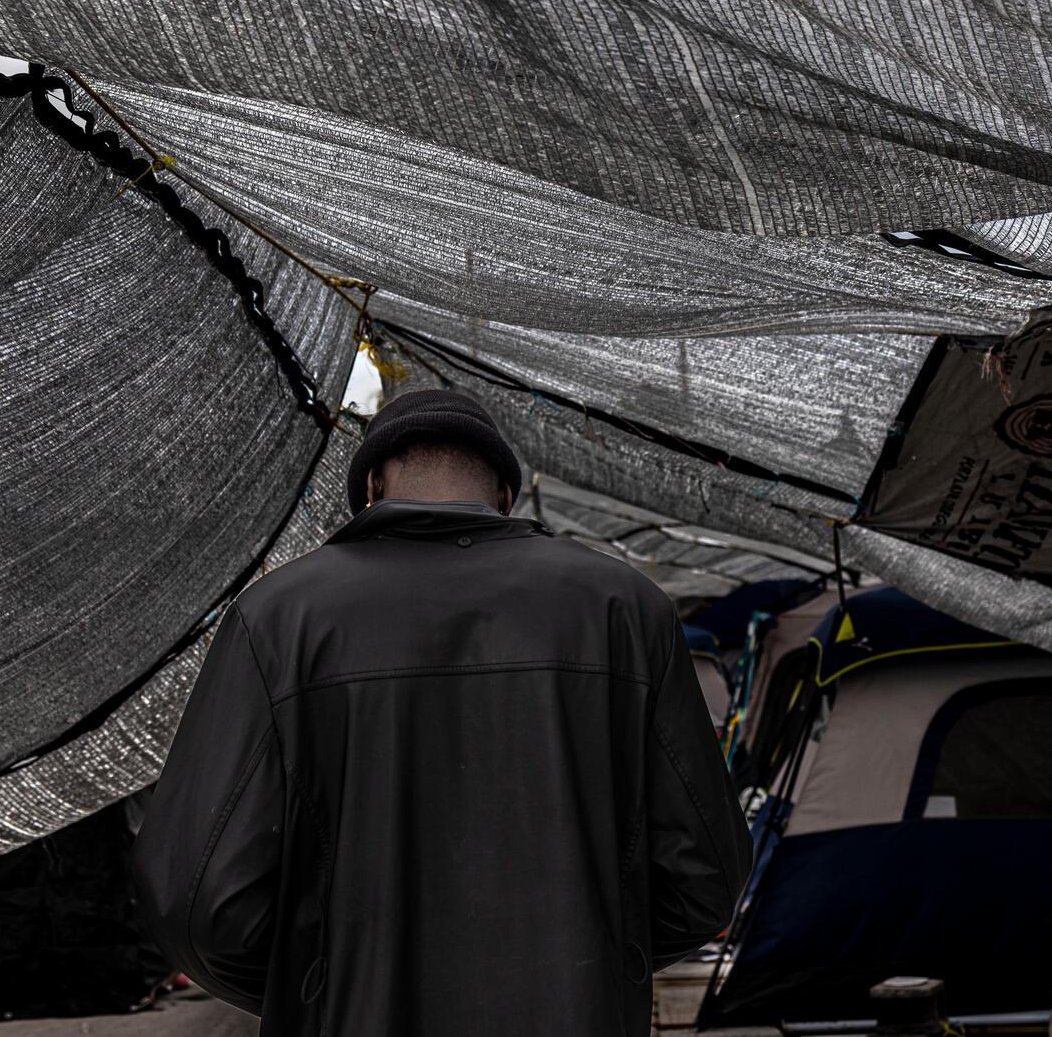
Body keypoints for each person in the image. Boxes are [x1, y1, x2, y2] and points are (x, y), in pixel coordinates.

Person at [132, 387, 752, 1036]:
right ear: (505, 496)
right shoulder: (626, 608)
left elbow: (195, 895)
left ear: (373, 485)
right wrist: (594, 965)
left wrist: (320, 983)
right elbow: (705, 871)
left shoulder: (277, 618)